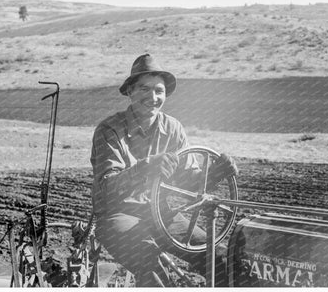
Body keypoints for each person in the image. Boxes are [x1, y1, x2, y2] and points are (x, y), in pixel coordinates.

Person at [90, 54, 238, 287]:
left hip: (161, 214)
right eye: (144, 89)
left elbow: (188, 183)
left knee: (221, 259)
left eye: (159, 91)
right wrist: (147, 167)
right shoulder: (109, 130)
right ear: (129, 92)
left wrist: (216, 173)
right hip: (117, 216)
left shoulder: (173, 128)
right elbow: (107, 188)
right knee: (153, 269)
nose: (153, 97)